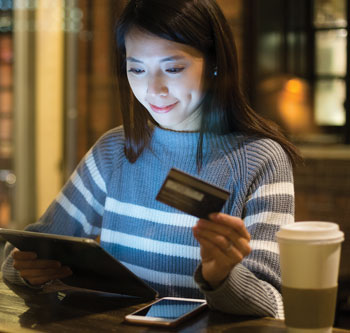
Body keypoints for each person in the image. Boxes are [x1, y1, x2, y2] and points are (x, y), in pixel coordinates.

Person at [1, 0, 301, 318]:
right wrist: (29, 271)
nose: (153, 88)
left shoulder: (260, 159)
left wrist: (222, 277)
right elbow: (20, 256)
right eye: (137, 69)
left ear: (214, 63)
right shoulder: (115, 150)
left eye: (172, 69)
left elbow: (273, 306)